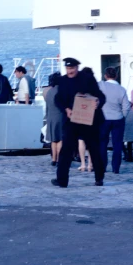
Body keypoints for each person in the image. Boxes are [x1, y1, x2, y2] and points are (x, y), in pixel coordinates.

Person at [52, 58, 106, 187]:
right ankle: (62, 180)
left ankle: (99, 178)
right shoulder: (63, 81)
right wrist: (66, 109)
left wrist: (98, 102)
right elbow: (58, 99)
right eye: (68, 69)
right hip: (71, 121)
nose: (70, 71)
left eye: (72, 68)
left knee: (94, 149)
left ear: (77, 67)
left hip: (89, 121)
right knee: (66, 150)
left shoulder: (87, 79)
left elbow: (100, 95)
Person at [98, 67, 131, 174]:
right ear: (116, 76)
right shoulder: (121, 89)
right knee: (117, 144)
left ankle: (102, 166)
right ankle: (115, 168)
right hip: (117, 119)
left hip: (103, 118)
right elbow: (126, 106)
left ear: (105, 75)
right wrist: (123, 116)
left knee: (102, 143)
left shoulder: (101, 85)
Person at [44, 72, 63, 166]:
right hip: (59, 117)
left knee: (53, 140)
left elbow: (47, 107)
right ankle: (59, 159)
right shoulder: (61, 91)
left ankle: (54, 159)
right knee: (60, 139)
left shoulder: (49, 92)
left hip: (50, 117)